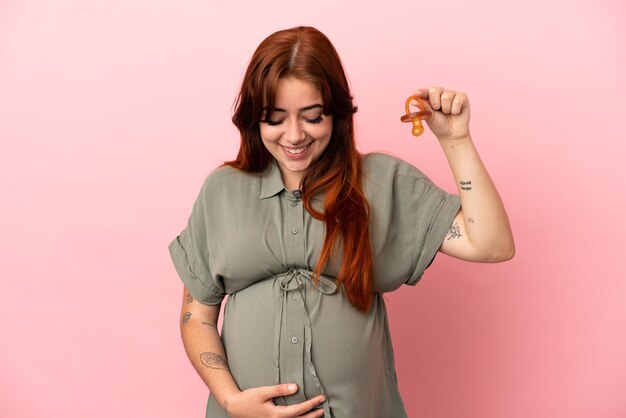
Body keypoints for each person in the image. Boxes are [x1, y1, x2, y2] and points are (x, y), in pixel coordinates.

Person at [168, 26, 514, 418]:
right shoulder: (222, 192)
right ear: (253, 119)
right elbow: (196, 315)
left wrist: (456, 140)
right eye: (275, 119)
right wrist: (231, 400)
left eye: (312, 117)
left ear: (337, 113)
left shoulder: (382, 183)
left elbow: (492, 245)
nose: (294, 135)